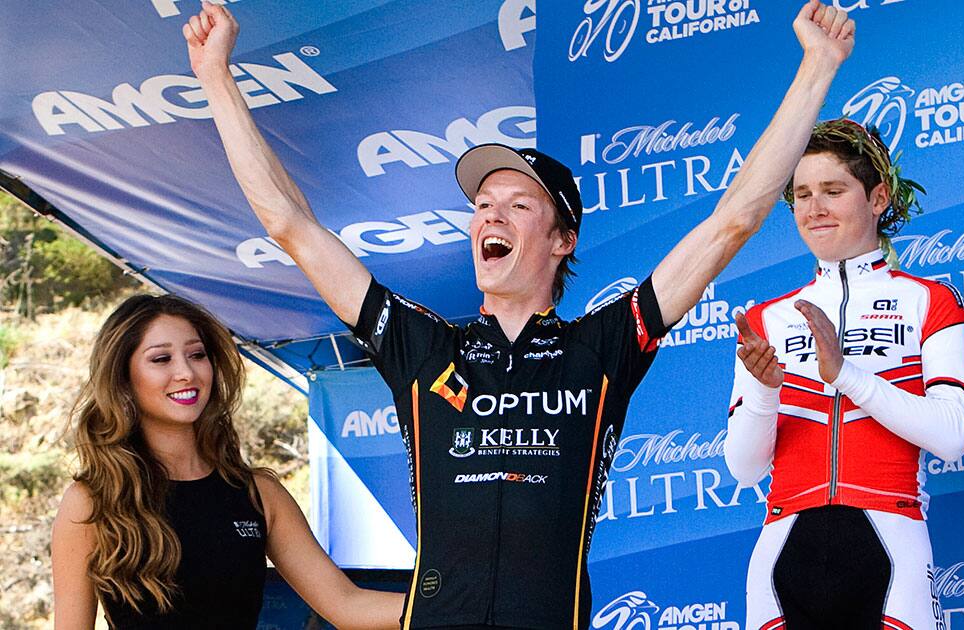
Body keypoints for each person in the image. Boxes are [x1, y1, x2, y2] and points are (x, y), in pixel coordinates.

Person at [183, 1, 855, 627]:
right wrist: (215, 79)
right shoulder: (423, 346)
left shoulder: (603, 346)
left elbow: (732, 221)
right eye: (481, 205)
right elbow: (288, 223)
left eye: (517, 204)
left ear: (562, 239)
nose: (490, 215)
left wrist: (817, 67)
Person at [725, 118, 964, 629]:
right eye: (801, 194)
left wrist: (847, 374)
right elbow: (744, 468)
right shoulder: (765, 319)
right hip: (782, 548)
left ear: (879, 197)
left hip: (892, 542)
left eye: (833, 190)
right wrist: (766, 393)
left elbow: (953, 437)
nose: (814, 208)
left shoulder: (929, 301)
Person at [51, 294, 404, 629]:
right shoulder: (91, 501)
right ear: (123, 379)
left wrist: (453, 606)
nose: (186, 373)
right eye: (161, 359)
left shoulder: (259, 494)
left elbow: (347, 605)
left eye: (197, 355)